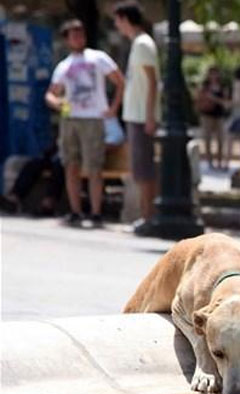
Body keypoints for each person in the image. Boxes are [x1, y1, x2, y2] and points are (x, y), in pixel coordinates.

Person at [45, 19, 124, 228]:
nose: (78, 38)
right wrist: (58, 103)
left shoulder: (98, 58)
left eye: (80, 33)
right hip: (70, 118)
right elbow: (51, 94)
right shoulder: (64, 65)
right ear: (67, 40)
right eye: (73, 35)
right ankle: (75, 211)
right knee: (71, 165)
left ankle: (96, 212)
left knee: (94, 167)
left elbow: (119, 81)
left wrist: (114, 107)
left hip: (93, 118)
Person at [113, 0, 161, 234]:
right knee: (141, 169)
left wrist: (150, 116)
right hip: (138, 114)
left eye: (117, 20)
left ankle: (147, 217)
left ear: (124, 18)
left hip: (142, 116)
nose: (116, 25)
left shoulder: (142, 44)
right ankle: (146, 216)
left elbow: (152, 81)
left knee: (144, 170)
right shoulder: (139, 44)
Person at [0, 143, 64, 216]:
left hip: (70, 161)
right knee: (33, 164)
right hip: (58, 155)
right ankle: (14, 199)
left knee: (58, 166)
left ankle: (49, 204)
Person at [197, 66, 229, 170]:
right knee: (207, 139)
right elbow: (199, 98)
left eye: (215, 73)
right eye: (212, 73)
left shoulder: (223, 87)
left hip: (219, 116)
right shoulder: (204, 86)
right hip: (206, 115)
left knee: (220, 140)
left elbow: (225, 102)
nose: (214, 75)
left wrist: (214, 98)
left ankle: (219, 162)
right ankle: (210, 162)